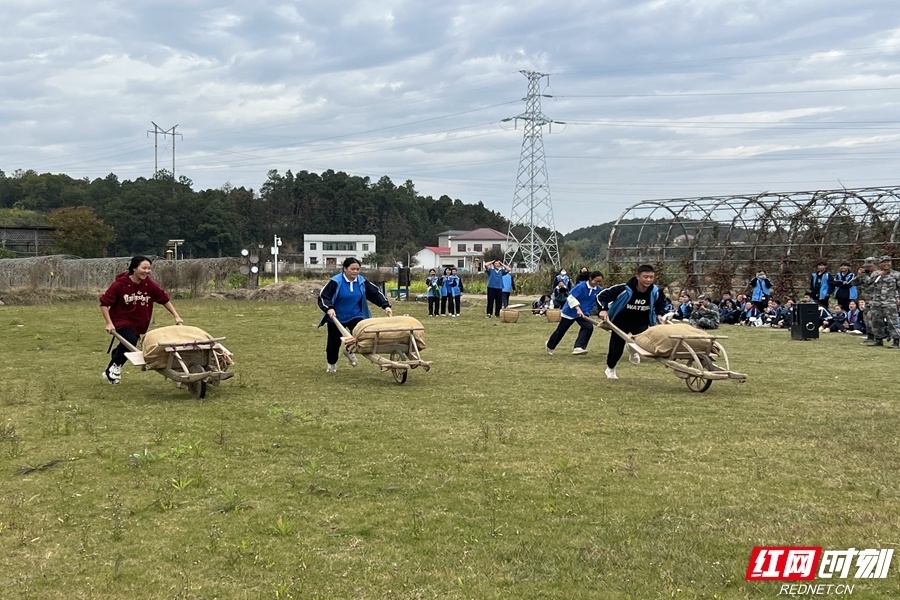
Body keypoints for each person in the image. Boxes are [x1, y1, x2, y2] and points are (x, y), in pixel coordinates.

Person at [100, 255, 184, 384]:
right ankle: (114, 368)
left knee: (128, 343)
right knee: (131, 340)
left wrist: (176, 315)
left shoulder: (148, 284)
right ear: (134, 268)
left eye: (149, 268)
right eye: (144, 268)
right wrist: (109, 323)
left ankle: (115, 358)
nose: (147, 271)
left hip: (139, 322)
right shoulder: (120, 285)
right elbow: (104, 304)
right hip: (120, 319)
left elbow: (164, 299)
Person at [317, 257, 393, 372]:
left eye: (358, 269)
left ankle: (349, 350)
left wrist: (385, 305)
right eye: (352, 269)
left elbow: (375, 293)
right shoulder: (336, 281)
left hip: (355, 315)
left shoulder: (361, 282)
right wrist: (329, 308)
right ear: (345, 269)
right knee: (334, 343)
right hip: (336, 317)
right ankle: (331, 364)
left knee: (362, 336)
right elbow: (324, 296)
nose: (355, 272)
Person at [595, 264, 669, 380]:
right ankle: (610, 369)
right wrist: (603, 310)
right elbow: (601, 296)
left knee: (645, 344)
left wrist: (660, 314)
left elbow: (661, 303)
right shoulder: (623, 289)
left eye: (651, 277)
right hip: (620, 322)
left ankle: (632, 349)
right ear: (638, 276)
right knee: (616, 349)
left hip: (641, 322)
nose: (648, 280)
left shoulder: (656, 291)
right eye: (645, 277)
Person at [545, 270, 604, 356]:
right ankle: (550, 345)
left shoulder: (598, 290)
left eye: (600, 281)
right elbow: (571, 298)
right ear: (590, 279)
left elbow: (599, 302)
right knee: (561, 331)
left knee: (588, 327)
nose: (598, 283)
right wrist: (577, 309)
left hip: (583, 313)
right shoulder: (581, 286)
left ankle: (579, 347)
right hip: (570, 311)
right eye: (596, 281)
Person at [857, 255, 900, 348]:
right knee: (876, 321)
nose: (886, 264)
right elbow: (868, 282)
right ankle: (878, 339)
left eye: (888, 262)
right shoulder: (875, 274)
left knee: (892, 322)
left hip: (890, 301)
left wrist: (898, 299)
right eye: (884, 262)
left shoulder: (896, 274)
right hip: (876, 301)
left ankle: (896, 341)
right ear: (879, 264)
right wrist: (875, 275)